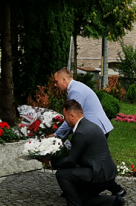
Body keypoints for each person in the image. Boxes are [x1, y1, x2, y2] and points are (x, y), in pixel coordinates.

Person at [53, 68, 124, 197]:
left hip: (93, 130)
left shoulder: (75, 91)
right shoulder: (76, 88)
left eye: (56, 81)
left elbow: (72, 117)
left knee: (89, 162)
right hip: (95, 128)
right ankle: (78, 189)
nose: (55, 85)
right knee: (89, 161)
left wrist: (56, 135)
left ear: (64, 79)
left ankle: (109, 190)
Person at [49, 100, 125, 206]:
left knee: (62, 174)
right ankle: (114, 201)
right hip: (106, 174)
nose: (65, 120)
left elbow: (71, 161)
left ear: (72, 116)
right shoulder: (90, 125)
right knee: (79, 199)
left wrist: (50, 162)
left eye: (65, 117)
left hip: (98, 174)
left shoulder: (81, 132)